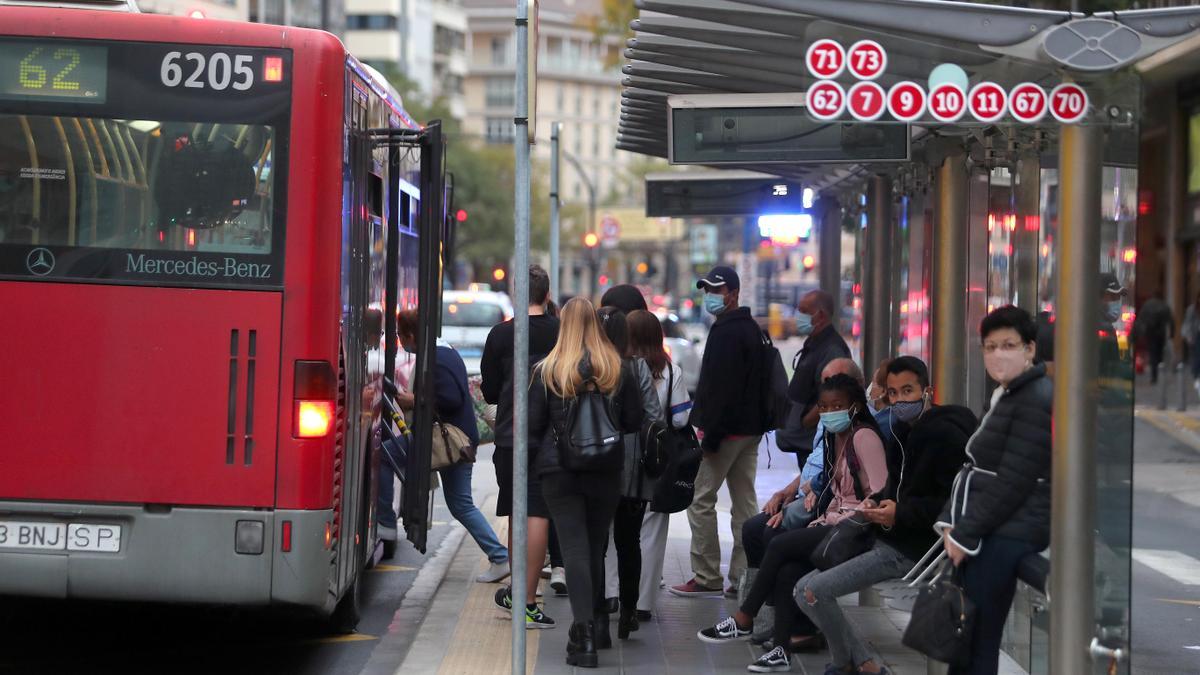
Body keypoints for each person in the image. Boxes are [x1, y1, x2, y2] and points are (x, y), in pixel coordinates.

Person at [697, 374, 889, 674]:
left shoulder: (865, 436)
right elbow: (831, 483)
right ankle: (781, 649)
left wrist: (848, 515)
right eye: (824, 407)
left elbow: (879, 492)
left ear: (854, 406)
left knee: (779, 543)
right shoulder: (834, 437)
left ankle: (745, 617)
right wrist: (808, 494)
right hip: (830, 524)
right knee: (788, 571)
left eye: (837, 406)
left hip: (855, 531)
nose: (829, 413)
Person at [798, 356, 977, 675]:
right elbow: (894, 486)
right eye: (893, 393)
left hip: (914, 549)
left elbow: (953, 502)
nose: (899, 400)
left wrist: (899, 513)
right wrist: (877, 502)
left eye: (908, 391)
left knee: (817, 590)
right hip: (886, 536)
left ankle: (845, 665)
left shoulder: (942, 435)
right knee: (802, 589)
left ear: (927, 391)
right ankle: (861, 663)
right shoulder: (901, 432)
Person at [528, 297, 644, 668]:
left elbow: (531, 428)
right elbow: (633, 420)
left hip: (559, 471)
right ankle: (594, 626)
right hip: (606, 471)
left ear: (564, 326)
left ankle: (583, 634)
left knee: (575, 549)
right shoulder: (616, 369)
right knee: (595, 549)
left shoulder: (547, 370)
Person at [937, 305, 1052, 675]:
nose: (998, 354)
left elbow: (1014, 479)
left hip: (1007, 532)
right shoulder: (1009, 393)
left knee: (977, 643)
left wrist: (965, 532)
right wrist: (952, 523)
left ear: (1030, 349)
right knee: (965, 641)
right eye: (990, 346)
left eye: (1008, 345)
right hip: (990, 528)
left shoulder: (1034, 397)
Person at [739, 358, 864, 643]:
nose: (829, 394)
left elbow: (844, 484)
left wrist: (808, 500)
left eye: (836, 384)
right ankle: (777, 617)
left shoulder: (859, 430)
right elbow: (814, 469)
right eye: (825, 384)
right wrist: (786, 493)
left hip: (833, 510)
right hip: (812, 498)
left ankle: (784, 622)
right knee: (753, 530)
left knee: (774, 535)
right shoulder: (828, 417)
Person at [378, 310, 511, 575]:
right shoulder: (443, 350)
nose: (400, 341)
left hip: (446, 440)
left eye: (400, 335)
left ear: (412, 335)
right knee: (461, 504)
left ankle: (385, 521)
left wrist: (414, 401)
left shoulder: (437, 359)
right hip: (455, 439)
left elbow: (450, 399)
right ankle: (499, 557)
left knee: (384, 456)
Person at [671, 266, 769, 597]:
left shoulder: (727, 332)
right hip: (750, 432)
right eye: (707, 289)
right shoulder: (752, 329)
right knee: (745, 504)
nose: (710, 295)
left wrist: (710, 437)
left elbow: (724, 391)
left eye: (717, 289)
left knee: (700, 500)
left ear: (733, 292)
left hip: (725, 434)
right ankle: (743, 577)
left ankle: (706, 574)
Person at [480, 265, 562, 617]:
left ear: (517, 294)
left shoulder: (500, 335)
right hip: (553, 438)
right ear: (546, 295)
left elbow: (489, 390)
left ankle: (517, 591)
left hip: (511, 435)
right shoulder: (561, 332)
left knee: (516, 512)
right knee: (540, 514)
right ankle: (530, 595)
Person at [597, 306, 662, 643]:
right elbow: (653, 416)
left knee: (596, 542)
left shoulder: (588, 365)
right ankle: (629, 612)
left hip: (594, 466)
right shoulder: (636, 367)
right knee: (628, 542)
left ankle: (596, 613)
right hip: (631, 471)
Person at [626, 309, 692, 622]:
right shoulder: (670, 370)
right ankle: (643, 603)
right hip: (656, 459)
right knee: (651, 531)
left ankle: (614, 594)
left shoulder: (618, 366)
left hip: (623, 459)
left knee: (617, 529)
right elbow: (680, 418)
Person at [777, 290, 852, 467]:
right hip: (803, 441)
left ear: (820, 316)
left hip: (813, 442)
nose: (798, 316)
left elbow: (835, 394)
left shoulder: (832, 349)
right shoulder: (814, 342)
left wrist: (805, 422)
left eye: (803, 311)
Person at [1135, 292, 1174, 384]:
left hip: (1150, 333)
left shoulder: (1148, 305)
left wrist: (1139, 332)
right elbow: (1171, 320)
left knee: (1153, 354)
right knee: (1158, 353)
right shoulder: (1164, 305)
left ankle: (1154, 375)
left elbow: (1141, 318)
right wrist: (1172, 333)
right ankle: (1158, 370)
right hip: (1161, 333)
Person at [1182, 292, 1200, 391]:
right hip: (1195, 336)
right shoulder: (1192, 309)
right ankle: (1196, 376)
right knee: (1196, 357)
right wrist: (1188, 336)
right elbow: (1187, 323)